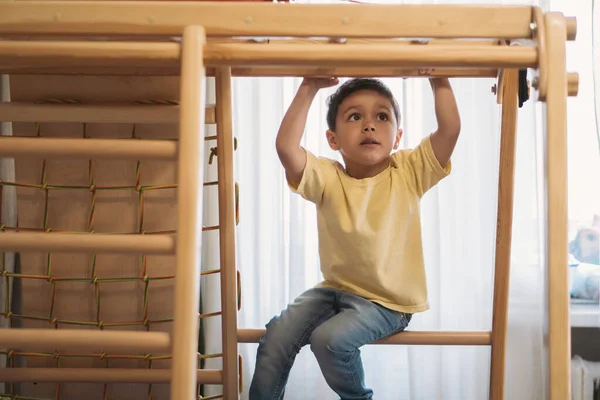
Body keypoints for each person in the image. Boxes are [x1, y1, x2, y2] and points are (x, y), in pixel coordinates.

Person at [249, 74, 461, 400]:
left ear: (397, 136)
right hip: (335, 291)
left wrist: (438, 78)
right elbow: (286, 147)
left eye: (381, 116)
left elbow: (449, 130)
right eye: (355, 116)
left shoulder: (408, 172)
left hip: (387, 303)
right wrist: (310, 86)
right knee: (276, 335)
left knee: (328, 340)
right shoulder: (328, 177)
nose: (369, 125)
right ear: (333, 139)